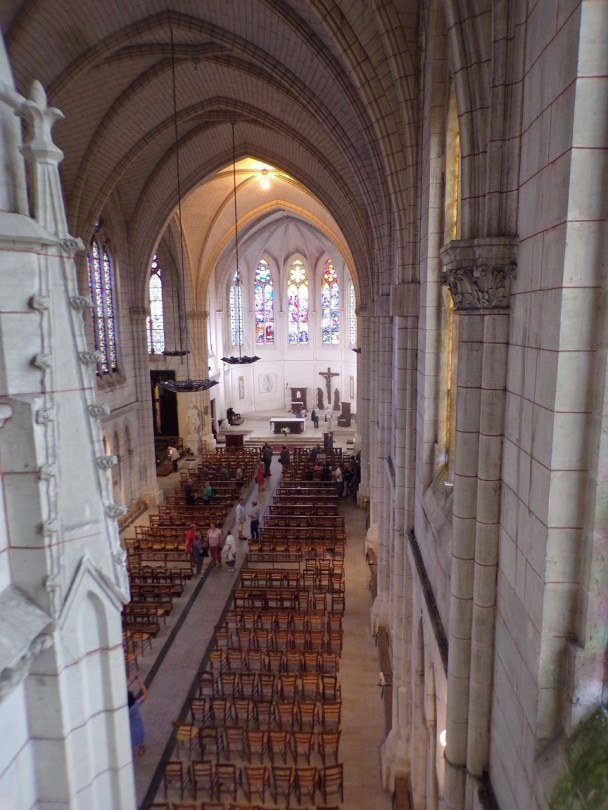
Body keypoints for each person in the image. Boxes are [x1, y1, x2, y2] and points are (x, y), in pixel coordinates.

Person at [128, 679, 149, 757]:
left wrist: (131, 681)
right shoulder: (136, 704)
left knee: (132, 737)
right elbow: (146, 694)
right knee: (139, 734)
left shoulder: (126, 710)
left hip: (130, 725)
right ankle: (140, 749)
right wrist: (141, 684)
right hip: (138, 722)